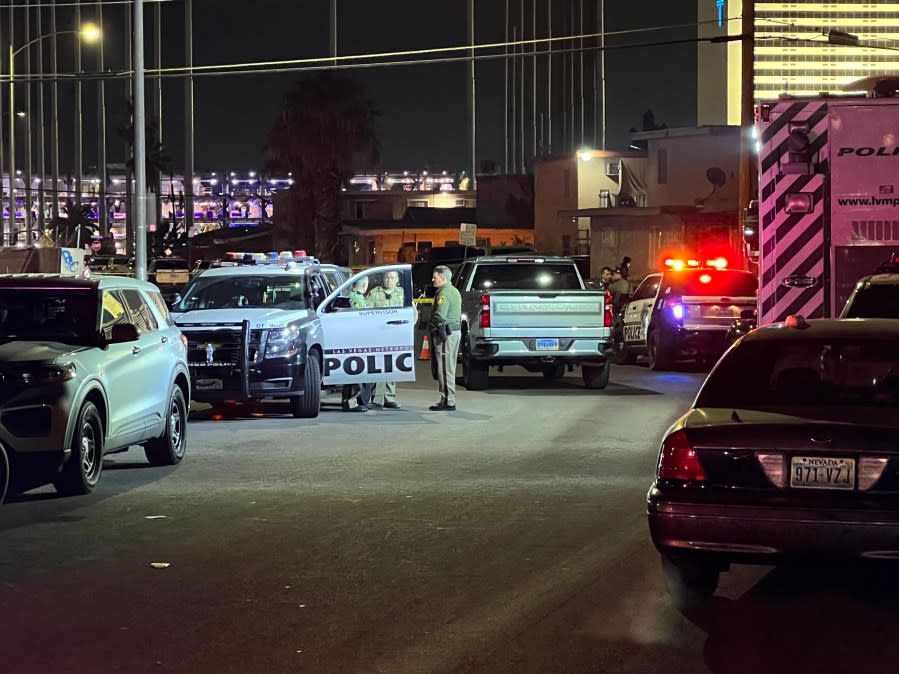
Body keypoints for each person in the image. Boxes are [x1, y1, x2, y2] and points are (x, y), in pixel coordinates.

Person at [367, 270, 405, 410]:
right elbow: (366, 312)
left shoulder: (402, 294)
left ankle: (390, 397)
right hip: (379, 335)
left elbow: (411, 312)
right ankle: (377, 398)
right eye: (387, 277)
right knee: (378, 365)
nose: (389, 280)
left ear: (397, 280)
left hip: (395, 335)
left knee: (393, 365)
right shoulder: (374, 293)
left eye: (392, 278)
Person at [427, 265, 462, 411]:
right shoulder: (452, 290)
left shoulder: (444, 293)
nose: (433, 279)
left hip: (445, 333)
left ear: (443, 277)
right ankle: (446, 398)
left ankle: (449, 400)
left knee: (444, 367)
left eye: (435, 277)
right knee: (447, 366)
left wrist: (430, 326)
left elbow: (440, 315)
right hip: (451, 332)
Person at [342, 277, 375, 412]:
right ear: (365, 285)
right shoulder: (357, 299)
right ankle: (353, 402)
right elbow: (359, 319)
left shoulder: (353, 296)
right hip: (357, 340)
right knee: (357, 374)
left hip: (354, 339)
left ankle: (359, 400)